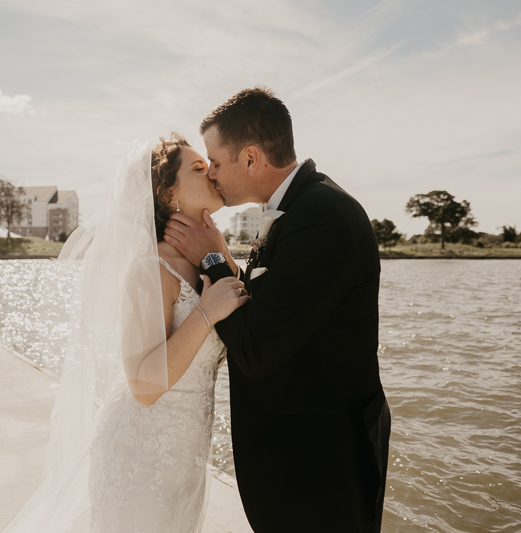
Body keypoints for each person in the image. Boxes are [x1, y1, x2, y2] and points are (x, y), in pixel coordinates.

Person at [165, 87, 392, 533]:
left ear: (250, 159)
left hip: (321, 467)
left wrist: (212, 259)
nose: (211, 173)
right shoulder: (301, 206)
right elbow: (268, 305)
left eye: (215, 161)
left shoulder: (320, 216)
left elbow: (256, 347)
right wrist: (224, 259)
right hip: (302, 459)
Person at [3, 134, 247, 533]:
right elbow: (143, 386)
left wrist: (219, 250)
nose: (213, 174)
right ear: (166, 193)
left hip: (185, 457)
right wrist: (205, 312)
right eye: (199, 169)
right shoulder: (151, 270)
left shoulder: (208, 261)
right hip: (142, 457)